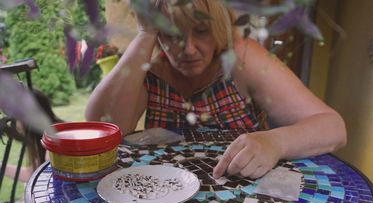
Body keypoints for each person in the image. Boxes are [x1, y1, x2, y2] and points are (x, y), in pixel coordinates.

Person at [85, 0, 346, 179]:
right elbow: (102, 126)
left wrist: (276, 141)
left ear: (220, 27)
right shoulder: (151, 69)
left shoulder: (242, 58)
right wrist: (145, 34)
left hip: (245, 199)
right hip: (165, 196)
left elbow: (333, 128)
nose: (188, 48)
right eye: (172, 34)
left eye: (201, 31)